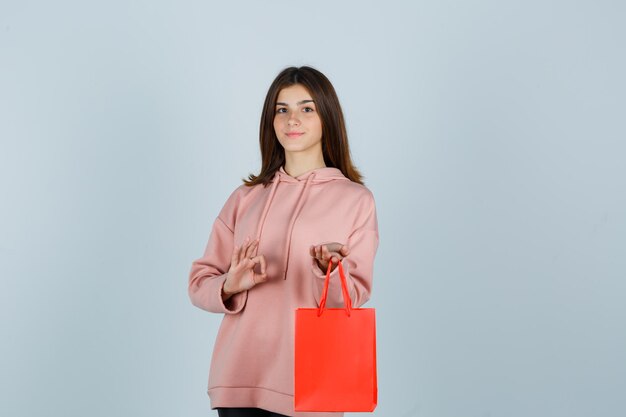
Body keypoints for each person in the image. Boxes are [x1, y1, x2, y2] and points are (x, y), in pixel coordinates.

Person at [188, 66, 379, 417]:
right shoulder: (245, 197)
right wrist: (230, 284)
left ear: (327, 118)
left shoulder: (356, 200)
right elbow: (199, 283)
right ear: (270, 120)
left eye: (307, 108)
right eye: (282, 109)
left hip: (312, 384)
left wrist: (327, 271)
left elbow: (354, 295)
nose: (293, 119)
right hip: (238, 381)